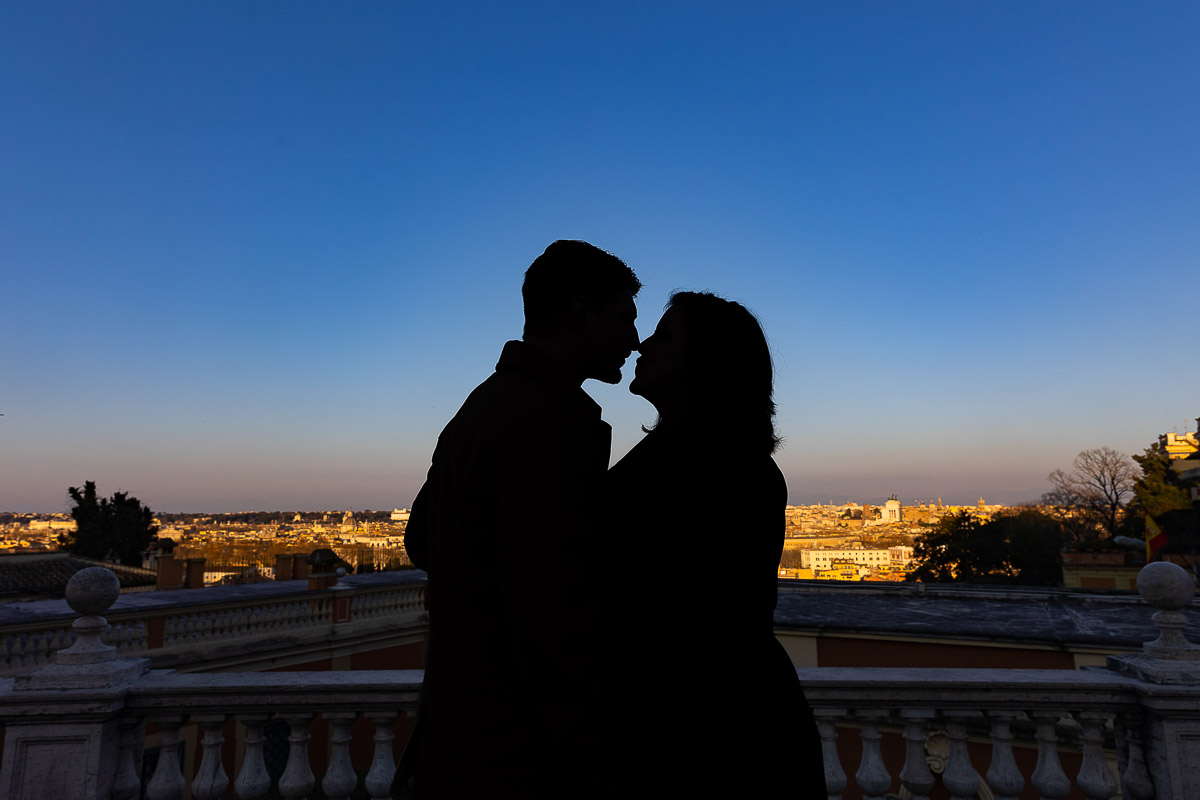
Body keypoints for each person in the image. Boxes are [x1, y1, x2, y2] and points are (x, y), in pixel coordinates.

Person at [400, 240, 641, 799]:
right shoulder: (546, 426)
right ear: (580, 312)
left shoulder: (485, 405)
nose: (634, 340)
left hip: (463, 735)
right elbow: (556, 618)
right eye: (624, 318)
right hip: (521, 751)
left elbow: (420, 539)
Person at [606, 291, 824, 798]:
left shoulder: (693, 464)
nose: (642, 344)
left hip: (704, 740)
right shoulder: (727, 461)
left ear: (703, 361)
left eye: (664, 335)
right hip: (738, 729)